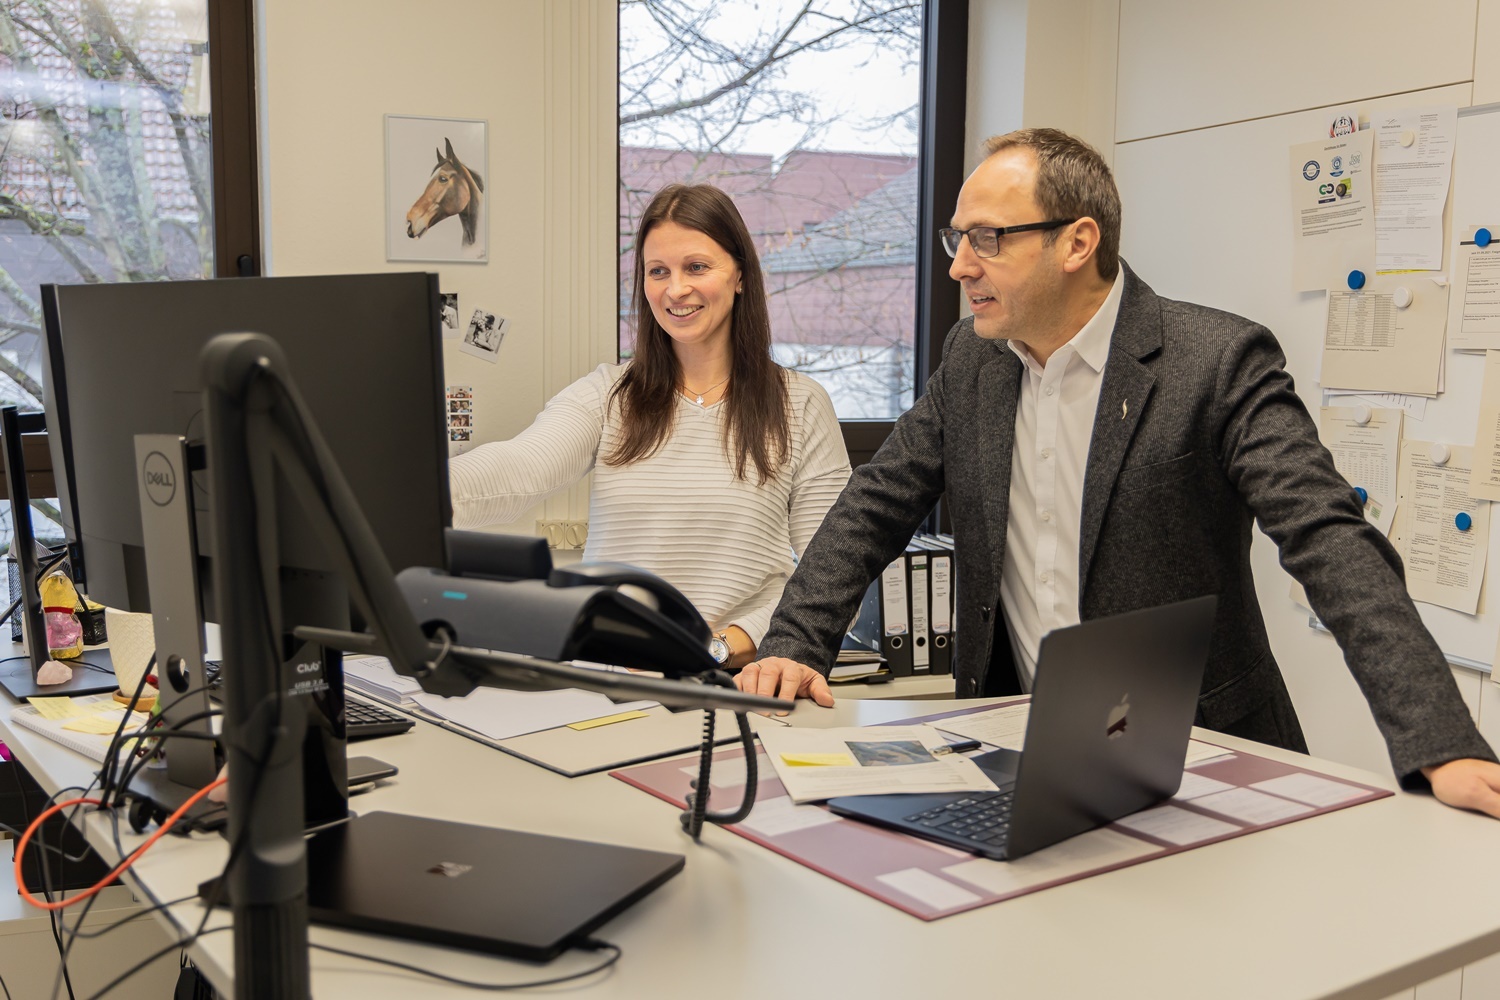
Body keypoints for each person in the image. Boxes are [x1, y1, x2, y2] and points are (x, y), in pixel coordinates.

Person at [737, 128, 1500, 818]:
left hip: (1200, 762)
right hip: (1020, 753)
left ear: (1077, 242)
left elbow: (1328, 540)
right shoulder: (971, 360)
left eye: (988, 238)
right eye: (956, 238)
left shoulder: (1217, 362)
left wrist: (1439, 738)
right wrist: (797, 642)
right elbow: (877, 501)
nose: (960, 265)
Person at [449, 183, 851, 670]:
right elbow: (519, 468)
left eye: (696, 267)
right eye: (658, 271)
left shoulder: (800, 404)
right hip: (611, 682)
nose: (675, 289)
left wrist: (714, 647)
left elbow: (831, 578)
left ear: (740, 275)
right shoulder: (608, 393)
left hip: (735, 679)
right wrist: (405, 493)